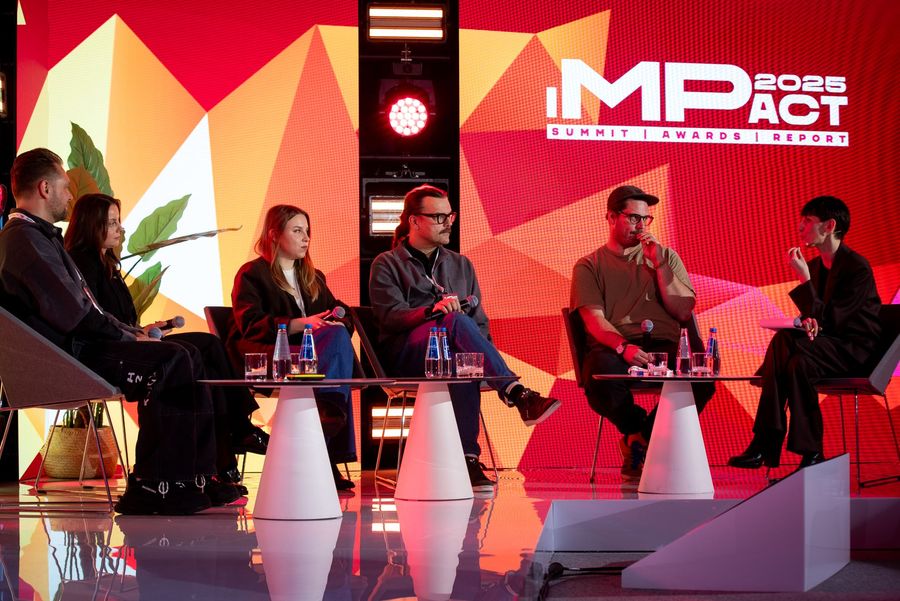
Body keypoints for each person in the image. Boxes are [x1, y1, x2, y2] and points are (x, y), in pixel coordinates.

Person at [0, 148, 242, 514]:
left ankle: (193, 476)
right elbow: (76, 315)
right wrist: (130, 337)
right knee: (171, 359)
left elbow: (86, 310)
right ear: (45, 189)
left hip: (79, 346)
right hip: (69, 355)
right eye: (65, 186)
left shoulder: (37, 237)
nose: (70, 194)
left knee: (190, 353)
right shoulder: (24, 239)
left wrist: (132, 334)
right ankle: (153, 484)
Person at [63, 192, 268, 491]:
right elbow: (94, 320)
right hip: (107, 351)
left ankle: (233, 435)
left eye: (119, 221)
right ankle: (226, 449)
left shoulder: (107, 264)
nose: (120, 229)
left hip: (126, 340)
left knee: (209, 345)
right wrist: (134, 336)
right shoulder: (81, 264)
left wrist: (143, 330)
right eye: (112, 222)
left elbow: (116, 319)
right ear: (91, 225)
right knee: (186, 353)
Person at [368, 184, 561, 492]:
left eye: (450, 216)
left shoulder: (461, 264)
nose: (447, 223)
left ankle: (468, 460)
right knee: (455, 321)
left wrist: (480, 357)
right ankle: (516, 393)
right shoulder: (387, 263)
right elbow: (390, 316)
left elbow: (480, 324)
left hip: (452, 352)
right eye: (438, 217)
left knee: (465, 361)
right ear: (414, 220)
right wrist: (432, 311)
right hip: (408, 353)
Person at [570, 185, 714, 479]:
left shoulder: (666, 257)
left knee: (702, 378)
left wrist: (659, 264)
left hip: (665, 344)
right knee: (599, 375)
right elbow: (594, 319)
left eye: (645, 219)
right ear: (611, 217)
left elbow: (683, 311)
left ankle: (640, 440)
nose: (641, 225)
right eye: (633, 217)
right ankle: (636, 429)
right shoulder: (589, 265)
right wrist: (623, 347)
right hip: (617, 345)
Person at [728, 196, 881, 470]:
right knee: (797, 364)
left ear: (830, 226)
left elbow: (833, 321)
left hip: (853, 349)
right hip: (819, 349)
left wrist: (804, 281)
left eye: (808, 220)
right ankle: (812, 452)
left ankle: (764, 441)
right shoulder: (815, 266)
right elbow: (816, 319)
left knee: (784, 342)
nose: (800, 227)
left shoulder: (857, 267)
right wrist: (805, 320)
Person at [227, 204, 357, 490]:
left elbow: (340, 311)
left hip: (310, 355)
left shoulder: (313, 276)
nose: (306, 238)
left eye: (307, 231)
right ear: (274, 234)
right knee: (334, 362)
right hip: (269, 352)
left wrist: (335, 319)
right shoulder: (252, 273)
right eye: (297, 231)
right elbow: (251, 324)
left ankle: (326, 423)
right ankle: (326, 442)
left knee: (336, 337)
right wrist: (299, 324)